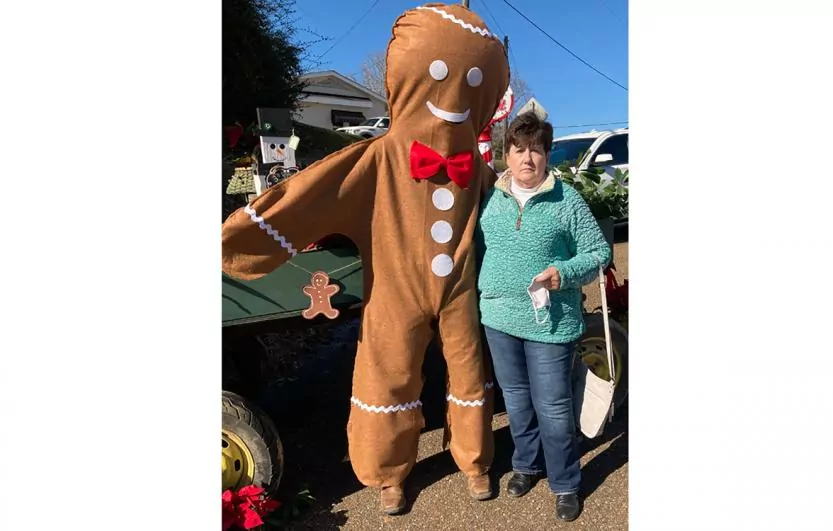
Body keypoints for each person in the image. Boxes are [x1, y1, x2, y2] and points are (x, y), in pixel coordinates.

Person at [221, 4, 509, 515]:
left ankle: (474, 460)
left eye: (471, 82)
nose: (454, 96)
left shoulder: (478, 168)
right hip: (394, 289)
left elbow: (511, 207)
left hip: (460, 288)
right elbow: (317, 191)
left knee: (469, 369)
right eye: (440, 74)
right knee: (388, 371)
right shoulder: (381, 155)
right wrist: (248, 237)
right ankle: (388, 473)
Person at [475, 112, 612, 521]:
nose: (527, 158)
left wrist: (564, 273)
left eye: (536, 150)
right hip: (499, 317)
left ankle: (565, 481)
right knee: (516, 401)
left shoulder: (566, 201)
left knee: (553, 406)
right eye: (519, 149)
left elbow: (599, 252)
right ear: (507, 154)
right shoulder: (492, 199)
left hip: (549, 323)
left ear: (547, 155)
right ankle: (527, 463)